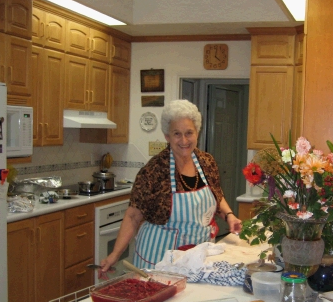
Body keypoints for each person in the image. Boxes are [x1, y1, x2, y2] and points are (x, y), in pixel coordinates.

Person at [99, 100, 242, 273]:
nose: (184, 140)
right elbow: (133, 217)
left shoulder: (207, 162)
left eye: (189, 133)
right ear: (167, 136)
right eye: (177, 134)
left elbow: (217, 196)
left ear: (197, 132)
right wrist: (114, 255)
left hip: (195, 256)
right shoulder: (154, 171)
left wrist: (229, 216)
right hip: (158, 258)